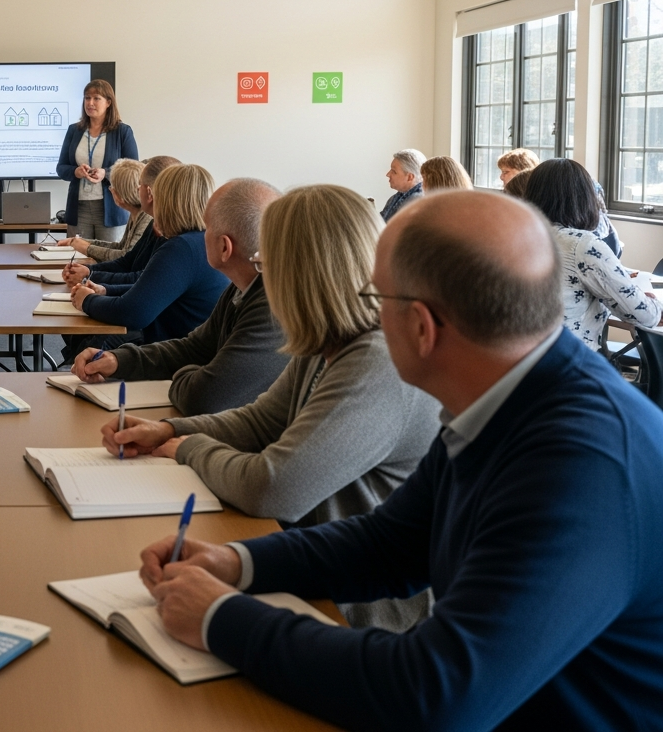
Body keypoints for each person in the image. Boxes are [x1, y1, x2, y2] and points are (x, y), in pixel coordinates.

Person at [138, 191, 663, 728]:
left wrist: (221, 618)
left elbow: (436, 694)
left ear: (421, 327)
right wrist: (238, 563)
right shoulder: (506, 396)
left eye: (377, 295)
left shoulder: (582, 465)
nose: (368, 312)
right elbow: (390, 543)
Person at [104, 184, 441, 631]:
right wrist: (169, 429)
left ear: (300, 273)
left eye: (266, 266)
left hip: (357, 611)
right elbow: (262, 420)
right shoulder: (328, 339)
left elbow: (272, 486)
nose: (264, 281)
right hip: (305, 564)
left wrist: (188, 447)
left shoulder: (376, 362)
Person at [71, 179, 289, 416]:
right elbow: (194, 348)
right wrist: (118, 361)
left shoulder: (273, 306)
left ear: (224, 248)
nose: (201, 234)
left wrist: (192, 372)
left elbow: (204, 398)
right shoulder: (241, 288)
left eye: (207, 227)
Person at [68, 164, 229, 358]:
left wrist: (87, 300)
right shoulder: (197, 240)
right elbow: (152, 288)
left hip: (178, 356)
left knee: (95, 349)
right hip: (186, 348)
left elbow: (133, 313)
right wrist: (106, 290)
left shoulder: (182, 248)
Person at [521, 158, 660, 347]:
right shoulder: (582, 244)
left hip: (516, 354)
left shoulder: (516, 235)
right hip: (565, 355)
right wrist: (655, 305)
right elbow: (643, 314)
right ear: (584, 198)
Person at [60, 156, 182, 289]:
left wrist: (89, 270)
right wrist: (89, 271)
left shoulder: (153, 223)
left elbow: (138, 274)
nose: (137, 189)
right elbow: (126, 260)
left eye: (140, 184)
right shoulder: (149, 222)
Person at [56, 79, 139, 241]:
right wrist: (76, 171)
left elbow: (134, 170)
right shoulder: (74, 130)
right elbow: (61, 168)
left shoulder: (122, 131)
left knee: (110, 255)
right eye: (87, 98)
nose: (90, 103)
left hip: (112, 208)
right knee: (77, 253)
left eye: (96, 98)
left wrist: (106, 173)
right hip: (79, 208)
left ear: (108, 102)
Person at [55, 158, 151, 261]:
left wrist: (87, 248)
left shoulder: (147, 218)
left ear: (118, 194)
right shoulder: (136, 214)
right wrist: (78, 242)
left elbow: (126, 257)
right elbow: (121, 247)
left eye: (112, 187)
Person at [381, 148, 424, 221]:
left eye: (394, 171)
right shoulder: (396, 196)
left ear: (410, 177)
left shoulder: (417, 203)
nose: (388, 174)